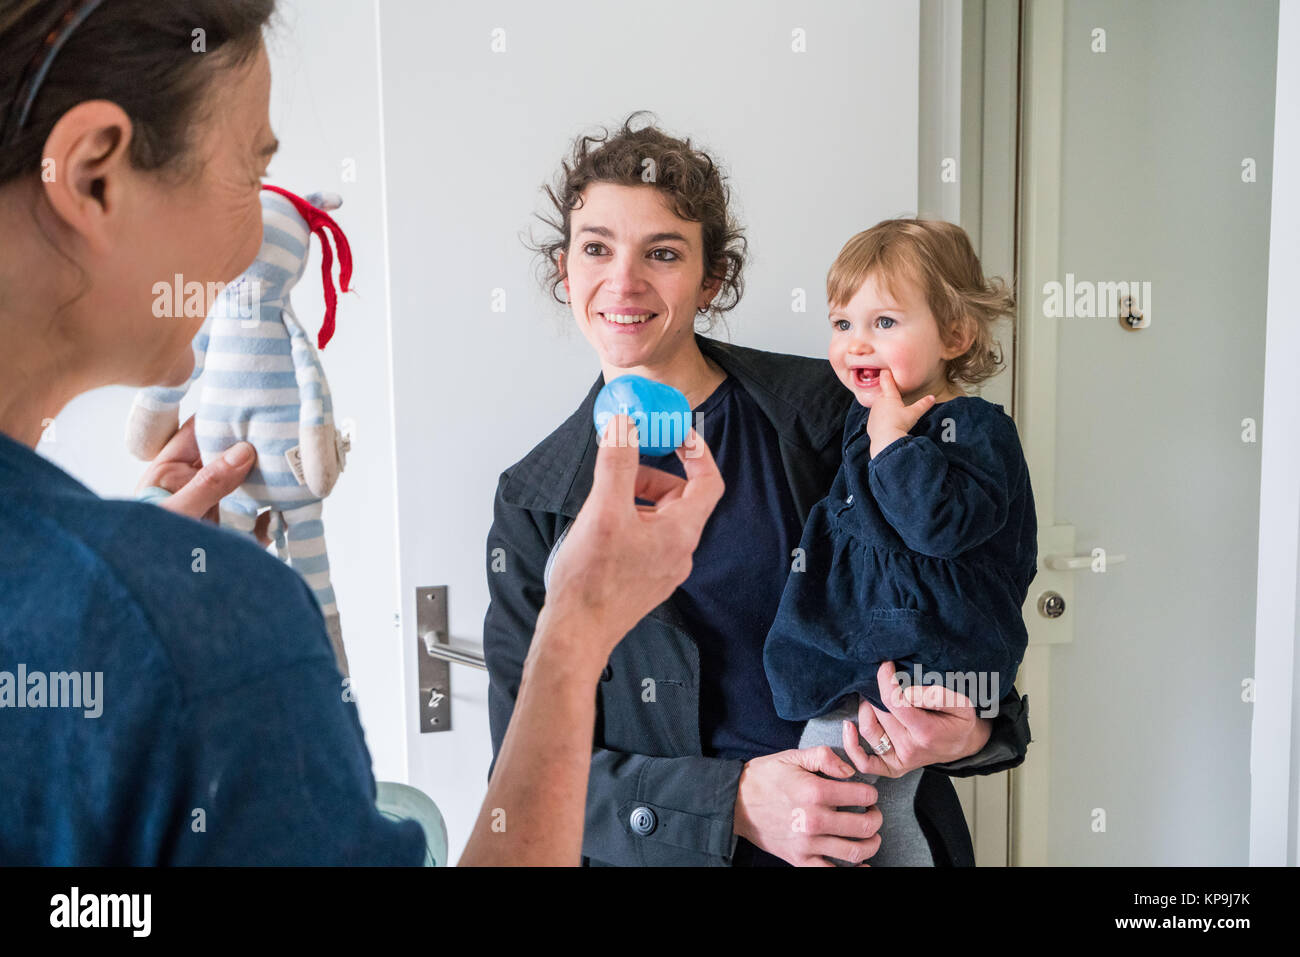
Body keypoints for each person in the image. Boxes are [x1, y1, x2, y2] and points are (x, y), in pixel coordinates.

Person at [0, 0, 721, 866]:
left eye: (665, 251)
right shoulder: (207, 616)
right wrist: (573, 631)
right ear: (94, 176)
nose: (260, 239)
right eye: (253, 170)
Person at [483, 113, 1032, 868]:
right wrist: (731, 802)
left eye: (663, 252)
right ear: (564, 268)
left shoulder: (839, 411)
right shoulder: (533, 502)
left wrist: (968, 728)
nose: (624, 281)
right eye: (596, 248)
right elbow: (520, 787)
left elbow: (972, 589)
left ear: (712, 278)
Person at [763, 218, 1038, 866]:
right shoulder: (866, 422)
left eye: (884, 322)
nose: (858, 342)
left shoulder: (972, 427)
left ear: (956, 334)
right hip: (874, 656)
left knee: (836, 799)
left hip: (919, 658)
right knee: (867, 805)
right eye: (841, 323)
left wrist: (890, 440)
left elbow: (934, 524)